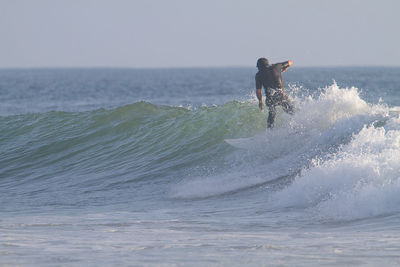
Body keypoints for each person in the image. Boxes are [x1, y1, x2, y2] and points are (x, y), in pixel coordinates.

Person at [255, 58, 294, 128]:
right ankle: (294, 127)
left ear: (259, 66)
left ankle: (270, 132)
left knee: (272, 115)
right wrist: (286, 67)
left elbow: (258, 91)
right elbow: (290, 62)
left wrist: (260, 101)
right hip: (281, 96)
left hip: (270, 98)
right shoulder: (277, 66)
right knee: (291, 112)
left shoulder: (258, 75)